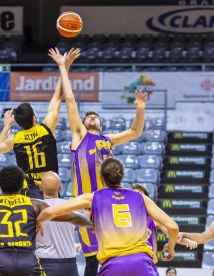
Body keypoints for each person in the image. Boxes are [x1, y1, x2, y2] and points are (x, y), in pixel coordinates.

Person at [48, 47, 149, 275]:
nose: (92, 116)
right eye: (88, 116)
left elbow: (135, 131)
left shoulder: (108, 140)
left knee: (113, 258)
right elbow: (71, 100)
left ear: (101, 125)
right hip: (87, 206)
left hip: (108, 205)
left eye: (96, 116)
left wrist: (141, 109)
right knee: (93, 261)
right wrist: (64, 67)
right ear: (83, 123)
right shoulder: (80, 136)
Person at [37, 157, 179, 276]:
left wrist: (40, 221)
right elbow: (173, 227)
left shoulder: (93, 197)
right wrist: (170, 246)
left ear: (101, 177)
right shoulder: (141, 198)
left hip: (113, 265)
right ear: (122, 175)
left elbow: (50, 212)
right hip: (142, 264)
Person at [0, 165, 92, 276]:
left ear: (0, 184)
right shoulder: (35, 205)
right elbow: (72, 216)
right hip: (28, 262)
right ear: (22, 185)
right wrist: (92, 225)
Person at [0, 48, 81, 199]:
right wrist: (64, 66)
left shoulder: (15, 138)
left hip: (29, 193)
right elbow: (58, 96)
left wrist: (7, 126)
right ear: (34, 117)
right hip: (50, 188)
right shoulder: (46, 127)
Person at [131, 184, 198, 276]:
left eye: (139, 195)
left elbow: (173, 234)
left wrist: (187, 241)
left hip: (147, 264)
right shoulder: (122, 219)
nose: (135, 197)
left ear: (146, 200)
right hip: (129, 263)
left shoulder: (154, 219)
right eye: (133, 194)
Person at [35, 171, 79, 276]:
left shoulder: (34, 209)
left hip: (45, 262)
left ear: (40, 187)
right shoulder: (70, 207)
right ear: (60, 187)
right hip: (70, 264)